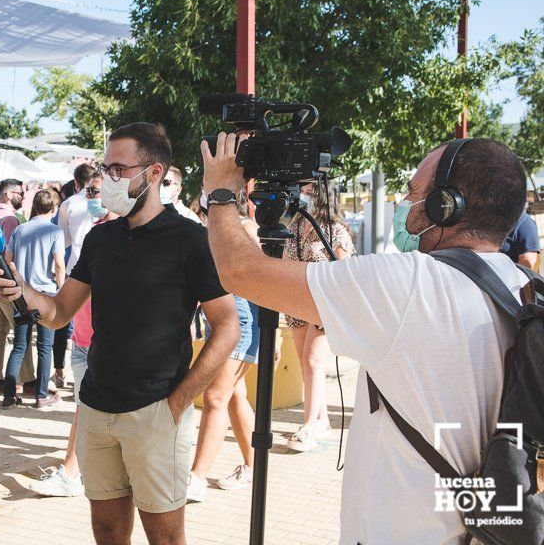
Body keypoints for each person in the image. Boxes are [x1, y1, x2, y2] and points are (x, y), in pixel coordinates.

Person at [203, 133, 530, 544]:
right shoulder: (527, 290)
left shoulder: (408, 283)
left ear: (445, 204)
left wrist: (220, 191)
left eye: (414, 191)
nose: (406, 202)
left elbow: (240, 271)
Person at [0, 122, 239, 545]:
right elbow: (58, 312)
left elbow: (228, 325)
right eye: (105, 168)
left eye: (118, 169)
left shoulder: (189, 238)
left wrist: (179, 402)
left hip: (156, 410)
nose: (107, 178)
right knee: (107, 530)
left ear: (155, 173)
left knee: (164, 536)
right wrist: (23, 291)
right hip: (96, 407)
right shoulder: (100, 238)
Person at [30, 174, 117, 497]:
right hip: (83, 337)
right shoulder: (97, 234)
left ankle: (72, 472)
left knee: (89, 406)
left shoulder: (133, 238)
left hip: (104, 343)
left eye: (97, 190)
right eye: (91, 190)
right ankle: (72, 471)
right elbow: (65, 302)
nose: (93, 196)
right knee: (85, 406)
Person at [187, 190, 261, 501]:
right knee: (234, 397)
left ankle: (196, 476)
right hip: (225, 316)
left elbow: (264, 280)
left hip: (239, 318)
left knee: (216, 396)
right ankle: (253, 466)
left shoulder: (246, 228)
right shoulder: (220, 229)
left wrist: (271, 334)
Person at [281, 181, 355, 452]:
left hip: (324, 305)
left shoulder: (336, 231)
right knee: (306, 363)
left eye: (310, 187)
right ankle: (321, 419)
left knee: (313, 361)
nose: (303, 191)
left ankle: (309, 425)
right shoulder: (295, 226)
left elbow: (346, 272)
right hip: (297, 303)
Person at [1, 189, 65, 409]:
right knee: (45, 346)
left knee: (19, 346)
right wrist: (61, 286)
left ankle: (9, 395)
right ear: (54, 208)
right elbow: (58, 264)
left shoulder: (20, 229)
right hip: (46, 293)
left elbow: (8, 259)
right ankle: (41, 394)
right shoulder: (55, 231)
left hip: (22, 293)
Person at [0, 179, 35, 390]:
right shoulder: (10, 219)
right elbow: (9, 256)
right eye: (20, 192)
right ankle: (28, 379)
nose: (23, 196)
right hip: (5, 284)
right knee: (21, 335)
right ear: (9, 194)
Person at [51, 163, 98, 387]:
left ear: (76, 183)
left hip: (75, 269)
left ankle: (61, 371)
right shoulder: (109, 203)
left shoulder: (69, 204)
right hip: (91, 270)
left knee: (68, 322)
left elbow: (63, 240)